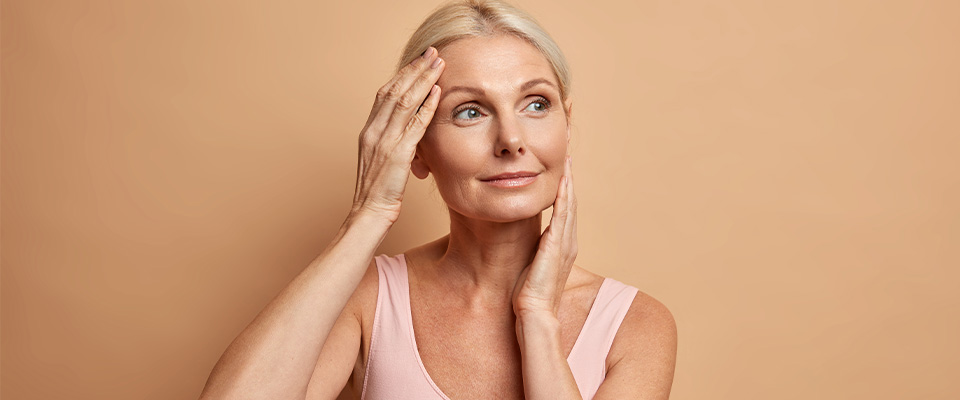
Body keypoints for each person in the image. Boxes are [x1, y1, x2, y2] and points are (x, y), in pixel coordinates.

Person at [198, 0, 677, 398]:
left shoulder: (634, 323)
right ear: (416, 149)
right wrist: (367, 217)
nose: (511, 139)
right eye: (470, 111)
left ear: (566, 126)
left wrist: (538, 320)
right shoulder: (368, 299)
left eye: (536, 104)